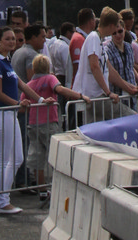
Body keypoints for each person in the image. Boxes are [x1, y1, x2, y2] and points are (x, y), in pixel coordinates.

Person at [0, 25, 41, 214]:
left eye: (14, 39)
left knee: (17, 158)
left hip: (10, 114)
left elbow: (22, 85)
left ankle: (4, 198)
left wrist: (41, 100)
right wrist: (18, 104)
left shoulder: (6, 61)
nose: (12, 42)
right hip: (2, 114)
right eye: (8, 39)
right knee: (2, 160)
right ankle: (1, 202)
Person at [24, 53, 90, 196]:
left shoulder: (29, 84)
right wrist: (79, 96)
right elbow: (60, 90)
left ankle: (42, 190)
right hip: (49, 122)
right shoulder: (50, 78)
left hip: (33, 124)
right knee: (56, 155)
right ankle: (58, 188)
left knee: (38, 159)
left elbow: (24, 105)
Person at [72, 8, 121, 103]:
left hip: (96, 96)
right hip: (91, 96)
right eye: (116, 26)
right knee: (126, 112)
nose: (116, 30)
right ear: (111, 26)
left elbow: (111, 72)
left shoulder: (99, 40)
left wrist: (131, 88)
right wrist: (108, 92)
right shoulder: (94, 38)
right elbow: (94, 66)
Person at [69, 9, 96, 79]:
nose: (95, 21)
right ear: (90, 21)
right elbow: (77, 67)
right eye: (94, 19)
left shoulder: (83, 38)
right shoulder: (78, 39)